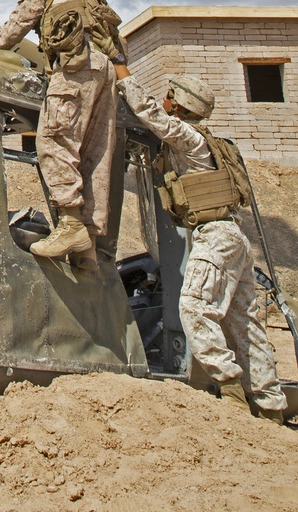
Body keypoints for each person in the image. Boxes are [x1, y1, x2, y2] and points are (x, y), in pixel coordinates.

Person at [115, 64, 288, 422]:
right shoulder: (209, 143)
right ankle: (271, 406)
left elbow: (149, 113)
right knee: (245, 323)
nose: (163, 101)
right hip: (234, 239)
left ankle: (231, 391)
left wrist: (122, 73)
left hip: (216, 238)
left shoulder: (190, 138)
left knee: (193, 307)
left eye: (168, 96)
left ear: (178, 105)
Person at [0, 0, 124, 269]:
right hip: (106, 72)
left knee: (54, 142)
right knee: (93, 154)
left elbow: (13, 30)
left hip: (74, 71)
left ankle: (72, 225)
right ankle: (87, 246)